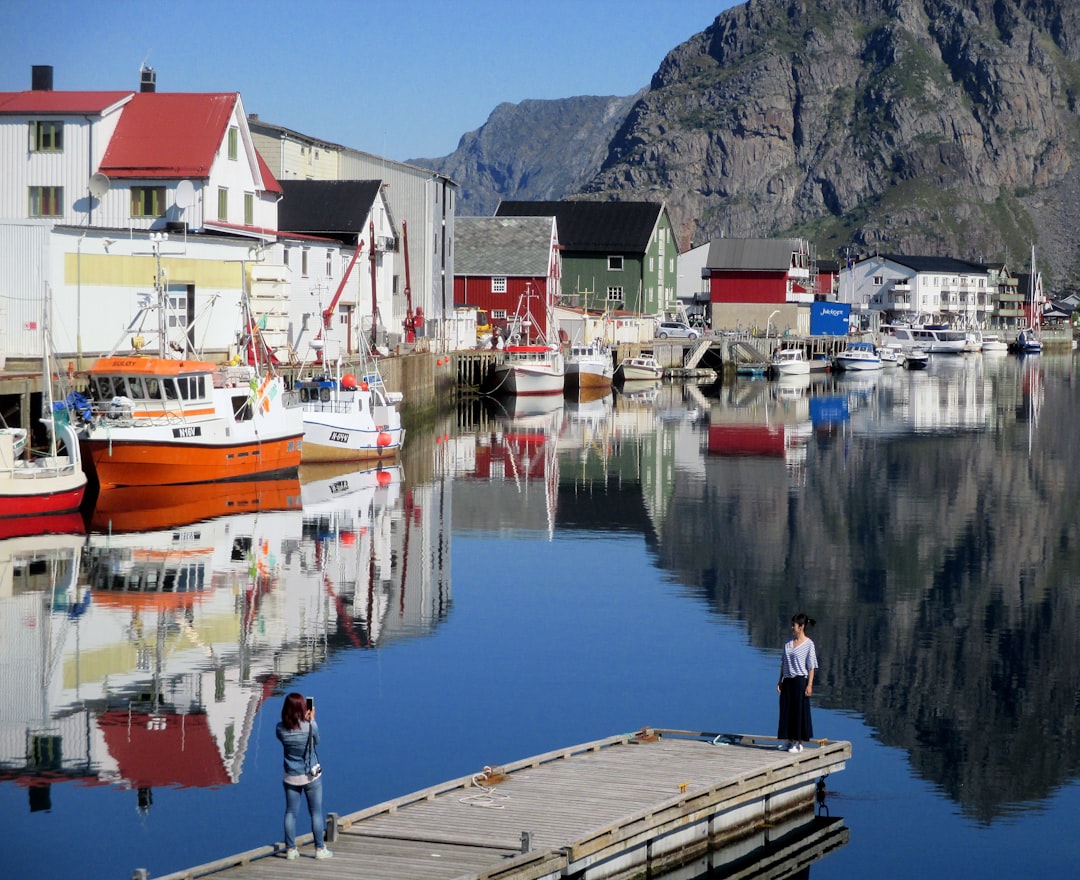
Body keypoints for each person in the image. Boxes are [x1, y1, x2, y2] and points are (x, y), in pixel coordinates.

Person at [276, 692, 332, 860]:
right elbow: (317, 741)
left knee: (290, 812)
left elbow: (284, 735)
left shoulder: (280, 728)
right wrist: (312, 720)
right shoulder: (310, 726)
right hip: (310, 776)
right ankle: (319, 849)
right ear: (303, 709)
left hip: (290, 776)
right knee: (315, 812)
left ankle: (291, 850)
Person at [776, 613, 818, 753]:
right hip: (788, 680)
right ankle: (788, 740)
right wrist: (780, 680)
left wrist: (810, 684)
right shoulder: (788, 643)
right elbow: (783, 663)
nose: (791, 627)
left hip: (800, 680)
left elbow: (811, 666)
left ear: (801, 627)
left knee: (798, 711)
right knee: (786, 710)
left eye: (794, 625)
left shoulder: (808, 644)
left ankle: (797, 742)